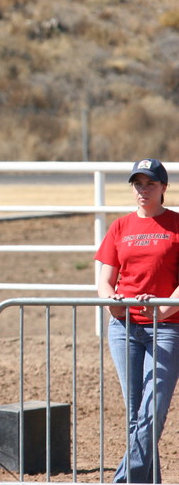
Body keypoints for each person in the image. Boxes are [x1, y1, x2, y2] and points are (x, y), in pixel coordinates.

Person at [95, 158, 179, 483]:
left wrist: (164, 310)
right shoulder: (120, 227)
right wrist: (110, 303)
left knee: (151, 410)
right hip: (124, 327)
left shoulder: (175, 225)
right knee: (137, 415)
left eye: (150, 184)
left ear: (163, 188)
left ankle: (122, 480)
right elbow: (105, 280)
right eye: (138, 184)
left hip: (167, 328)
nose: (143, 191)